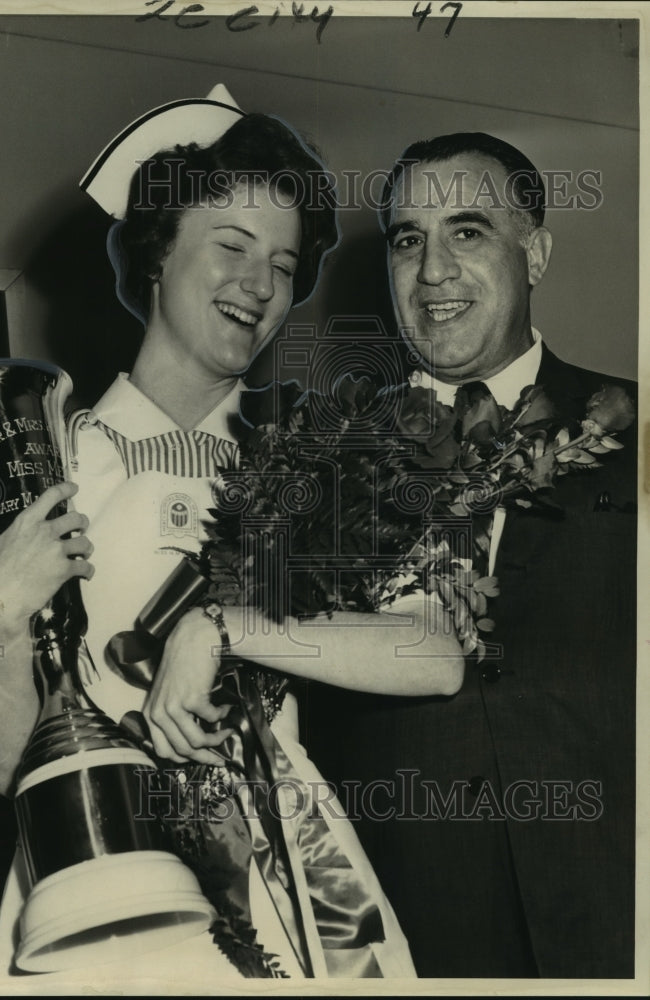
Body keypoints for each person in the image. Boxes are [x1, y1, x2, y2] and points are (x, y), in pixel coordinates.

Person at [0, 91, 465, 982]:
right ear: (158, 254)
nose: (260, 285)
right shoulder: (41, 459)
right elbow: (8, 768)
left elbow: (435, 651)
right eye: (229, 245)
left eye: (282, 261)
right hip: (93, 868)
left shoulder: (318, 464)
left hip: (291, 877)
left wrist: (226, 627)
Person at [307, 131, 637, 978]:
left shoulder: (638, 435)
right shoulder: (316, 469)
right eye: (408, 239)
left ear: (535, 252)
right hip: (405, 941)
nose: (432, 272)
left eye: (467, 231)